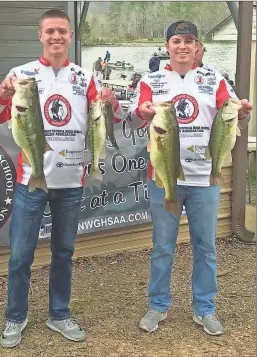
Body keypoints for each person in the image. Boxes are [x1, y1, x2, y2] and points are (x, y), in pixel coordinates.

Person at [0, 8, 124, 348]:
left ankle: (59, 313)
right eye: (50, 31)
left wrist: (112, 101)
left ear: (70, 37)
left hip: (71, 184)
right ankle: (14, 317)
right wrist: (4, 92)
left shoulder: (85, 77)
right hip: (31, 181)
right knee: (21, 254)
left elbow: (112, 117)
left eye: (62, 31)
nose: (56, 37)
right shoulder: (21, 74)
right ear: (40, 36)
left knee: (63, 251)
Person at [127, 20, 252, 336]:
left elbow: (232, 110)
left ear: (197, 47)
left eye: (189, 41)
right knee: (162, 247)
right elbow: (133, 114)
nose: (183, 46)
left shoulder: (215, 79)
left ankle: (205, 308)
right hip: (164, 179)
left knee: (205, 247)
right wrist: (143, 111)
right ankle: (157, 305)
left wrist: (243, 111)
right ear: (167, 45)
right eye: (176, 40)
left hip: (204, 181)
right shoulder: (152, 80)